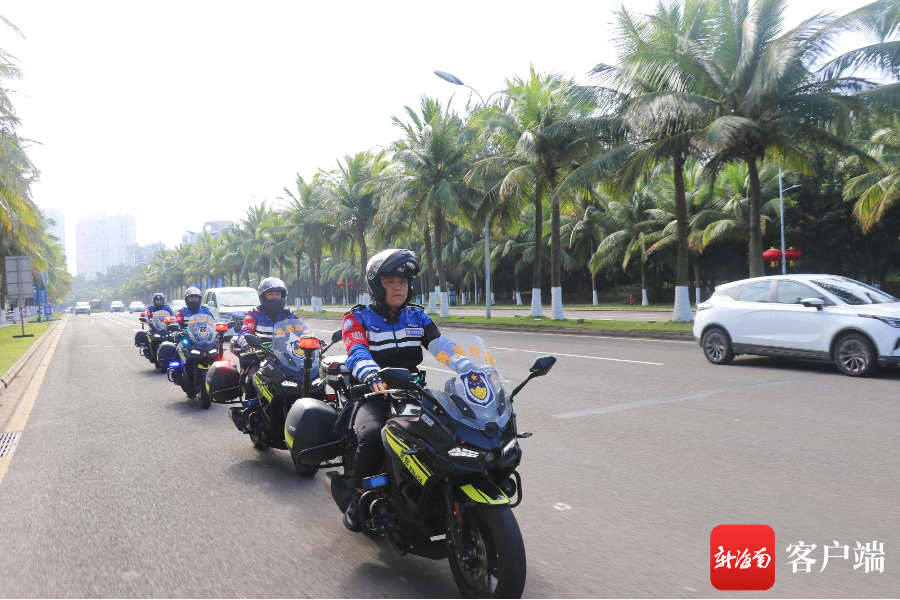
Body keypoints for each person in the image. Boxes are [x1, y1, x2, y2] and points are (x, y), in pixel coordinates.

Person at [341, 248, 473, 532]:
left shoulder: (417, 317)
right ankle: (357, 496)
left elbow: (443, 347)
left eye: (402, 281)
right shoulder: (357, 317)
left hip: (412, 393)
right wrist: (371, 373)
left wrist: (471, 369)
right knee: (373, 436)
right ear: (376, 286)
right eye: (389, 281)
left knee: (450, 431)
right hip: (373, 393)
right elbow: (356, 351)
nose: (398, 287)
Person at [235, 277, 299, 401]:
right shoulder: (253, 314)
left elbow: (302, 332)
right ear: (263, 296)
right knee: (252, 379)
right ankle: (252, 409)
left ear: (282, 296)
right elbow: (244, 332)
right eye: (271, 294)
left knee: (300, 378)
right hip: (260, 355)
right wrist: (248, 344)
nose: (275, 297)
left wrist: (314, 341)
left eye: (277, 294)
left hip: (285, 357)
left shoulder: (288, 315)